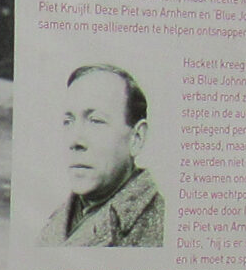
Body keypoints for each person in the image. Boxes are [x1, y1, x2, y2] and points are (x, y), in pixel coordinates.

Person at [39, 64, 166, 246]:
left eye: (96, 121)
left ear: (137, 138)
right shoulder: (61, 219)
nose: (75, 141)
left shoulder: (157, 229)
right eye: (68, 121)